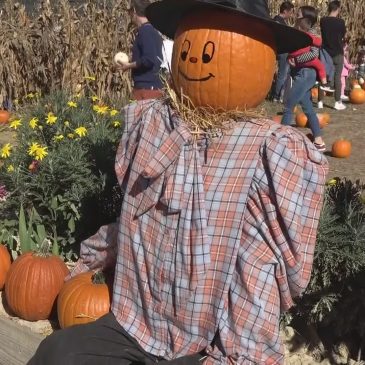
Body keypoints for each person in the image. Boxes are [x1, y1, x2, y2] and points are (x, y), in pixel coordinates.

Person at [28, 0, 328, 364]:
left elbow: (257, 271)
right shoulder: (157, 125)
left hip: (204, 343)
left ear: (262, 56)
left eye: (214, 50)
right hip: (135, 323)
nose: (200, 59)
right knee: (56, 352)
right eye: (193, 45)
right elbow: (132, 218)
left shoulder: (268, 152)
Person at [281, 6, 327, 152]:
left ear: (306, 19)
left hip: (306, 74)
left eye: (299, 15)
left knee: (288, 106)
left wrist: (297, 60)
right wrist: (290, 58)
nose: (296, 17)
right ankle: (319, 142)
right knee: (308, 109)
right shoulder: (299, 33)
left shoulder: (312, 34)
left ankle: (281, 141)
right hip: (300, 72)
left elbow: (313, 54)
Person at [115, 0, 163, 101]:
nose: (130, 16)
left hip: (147, 90)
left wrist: (129, 65)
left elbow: (149, 60)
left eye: (130, 12)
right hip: (151, 88)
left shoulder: (145, 31)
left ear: (135, 11)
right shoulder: (153, 31)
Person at [288, 17, 334, 93]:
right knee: (320, 66)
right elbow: (318, 43)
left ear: (299, 27)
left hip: (293, 56)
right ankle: (324, 83)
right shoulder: (308, 36)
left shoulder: (294, 35)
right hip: (304, 57)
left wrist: (291, 57)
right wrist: (319, 40)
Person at [320, 0, 347, 110]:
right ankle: (337, 102)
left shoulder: (323, 20)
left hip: (325, 52)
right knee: (337, 76)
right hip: (337, 52)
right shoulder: (341, 22)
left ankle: (320, 102)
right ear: (338, 8)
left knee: (323, 75)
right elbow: (343, 36)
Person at [272, 1, 294, 103]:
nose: (291, 15)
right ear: (285, 11)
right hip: (282, 51)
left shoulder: (281, 21)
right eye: (290, 12)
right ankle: (276, 96)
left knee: (285, 73)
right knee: (282, 74)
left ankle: (281, 94)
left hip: (284, 50)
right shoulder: (277, 21)